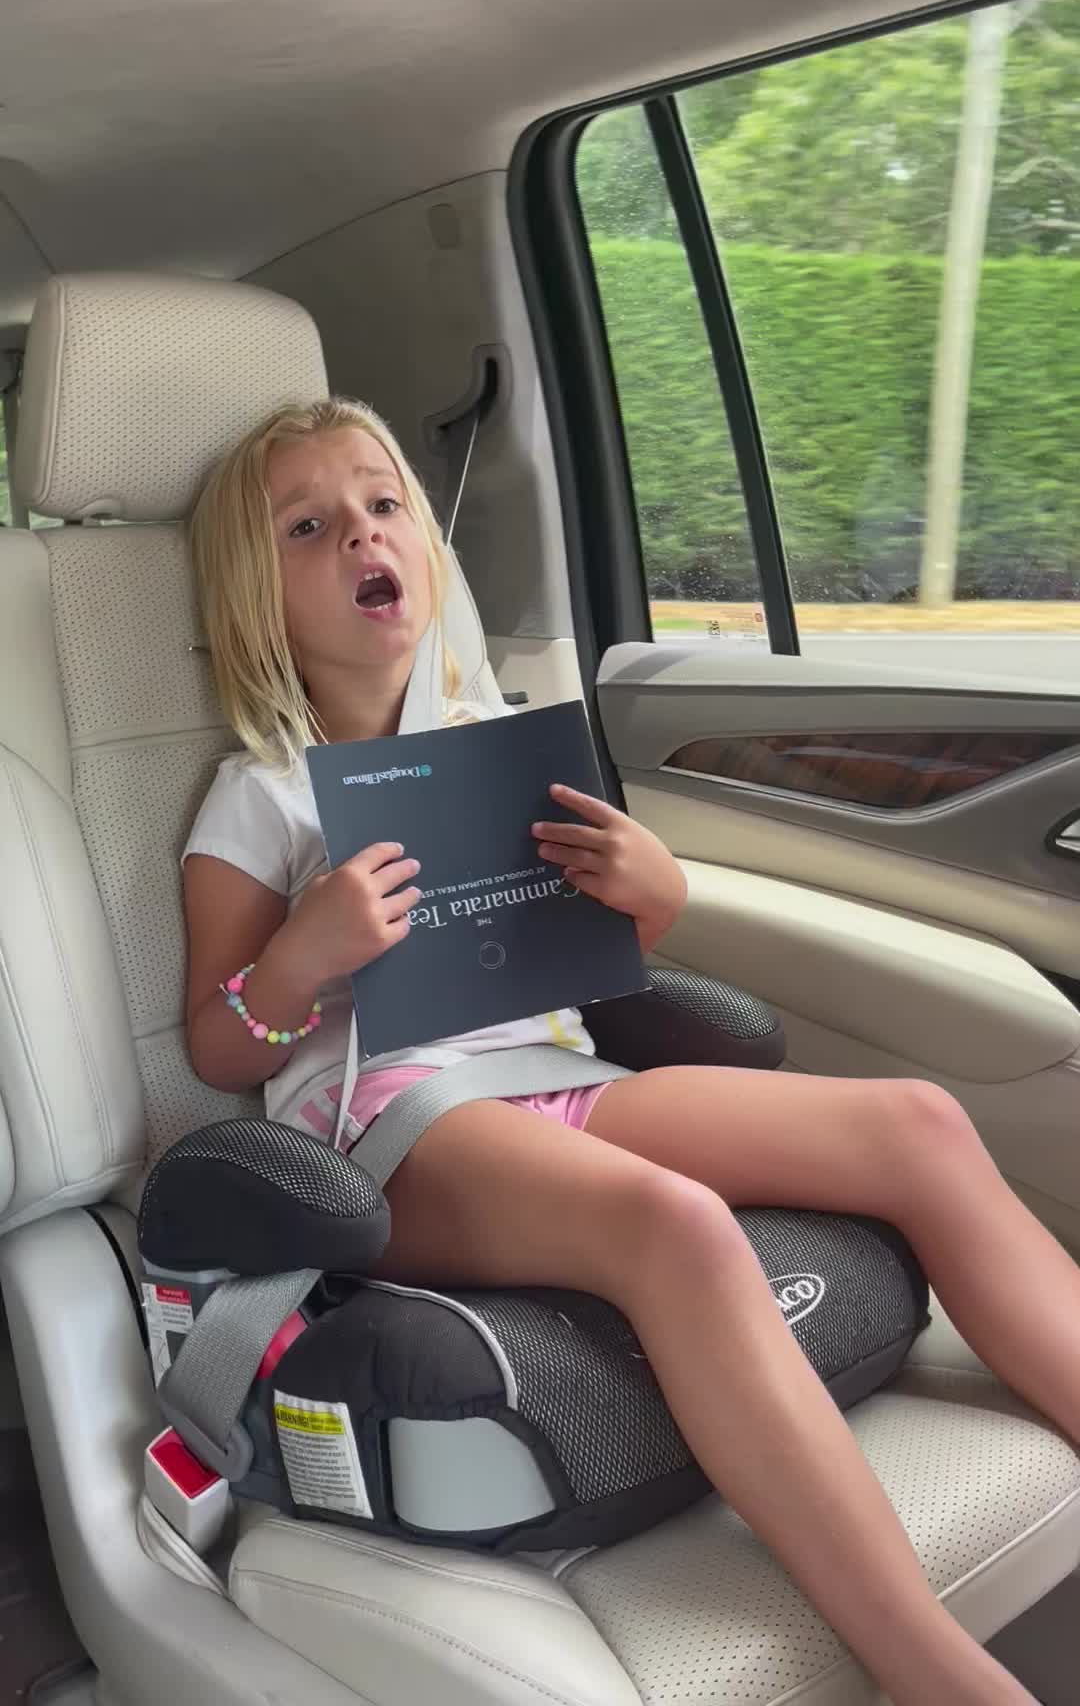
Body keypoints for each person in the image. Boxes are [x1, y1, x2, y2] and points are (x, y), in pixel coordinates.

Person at [183, 397, 1076, 1706]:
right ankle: (935, 1671)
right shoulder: (260, 792)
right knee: (679, 1225)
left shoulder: (492, 749)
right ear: (256, 597)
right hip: (394, 1132)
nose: (361, 535)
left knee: (919, 1125)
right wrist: (300, 958)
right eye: (307, 528)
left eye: (381, 505)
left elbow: (588, 962)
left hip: (559, 1082)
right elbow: (219, 1044)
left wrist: (653, 898)